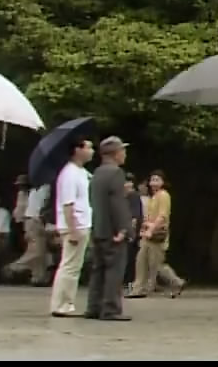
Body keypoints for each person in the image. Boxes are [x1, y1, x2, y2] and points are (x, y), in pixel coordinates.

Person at [85, 136, 136, 322]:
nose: (124, 154)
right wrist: (124, 228)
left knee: (98, 269)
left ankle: (94, 306)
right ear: (115, 153)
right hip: (112, 230)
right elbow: (117, 203)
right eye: (122, 150)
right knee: (115, 269)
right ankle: (111, 308)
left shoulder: (97, 173)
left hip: (99, 228)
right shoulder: (115, 173)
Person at [48, 138, 94, 316]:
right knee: (69, 266)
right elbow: (68, 204)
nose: (92, 151)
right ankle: (61, 304)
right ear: (77, 149)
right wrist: (73, 229)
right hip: (75, 225)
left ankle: (67, 302)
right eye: (88, 147)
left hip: (83, 223)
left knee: (74, 266)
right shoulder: (69, 174)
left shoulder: (81, 172)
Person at [130, 170, 185, 298]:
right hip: (148, 234)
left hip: (157, 235)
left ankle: (177, 282)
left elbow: (162, 216)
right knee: (141, 260)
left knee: (157, 264)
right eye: (152, 180)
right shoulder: (153, 197)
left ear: (163, 182)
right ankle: (138, 289)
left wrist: (151, 229)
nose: (154, 182)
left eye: (157, 180)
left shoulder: (164, 195)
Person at [6, 176, 53, 286]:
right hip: (34, 221)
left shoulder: (32, 192)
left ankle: (38, 278)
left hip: (32, 221)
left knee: (41, 251)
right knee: (38, 251)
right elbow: (44, 207)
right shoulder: (43, 189)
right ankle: (15, 266)